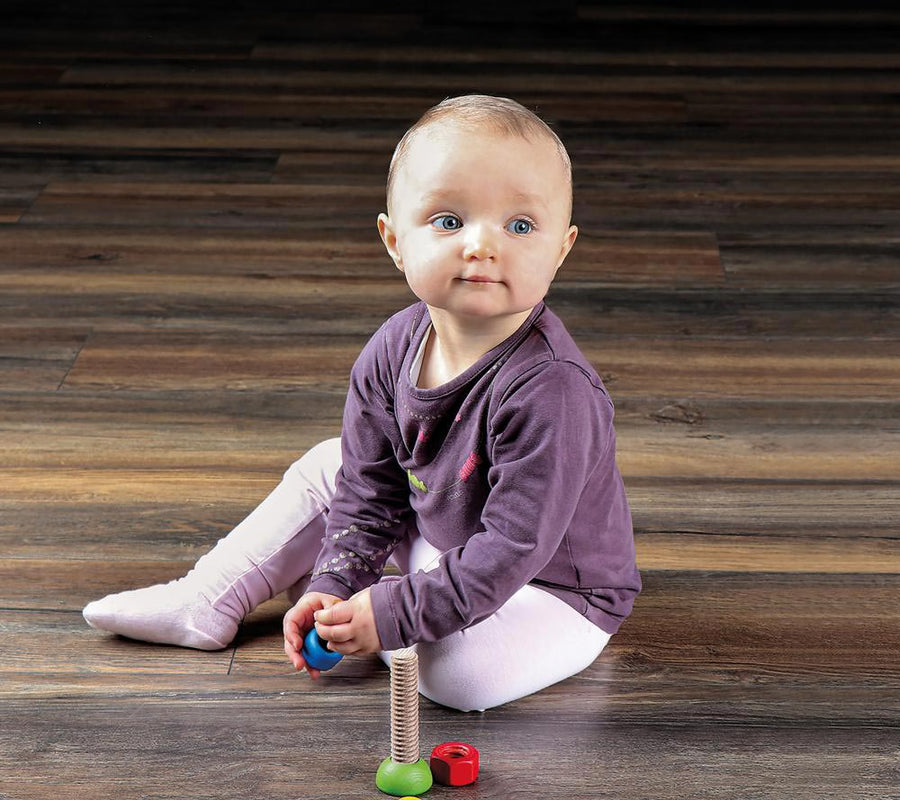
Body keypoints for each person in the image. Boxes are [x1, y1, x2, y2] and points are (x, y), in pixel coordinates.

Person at [83, 94, 641, 712]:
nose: (483, 245)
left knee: (455, 679)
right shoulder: (394, 346)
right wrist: (336, 581)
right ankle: (208, 597)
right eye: (450, 221)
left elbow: (513, 549)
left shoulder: (552, 391)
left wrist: (390, 612)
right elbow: (370, 490)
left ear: (560, 249)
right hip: (446, 536)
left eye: (519, 226)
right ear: (394, 240)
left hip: (551, 590)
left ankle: (387, 603)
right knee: (333, 463)